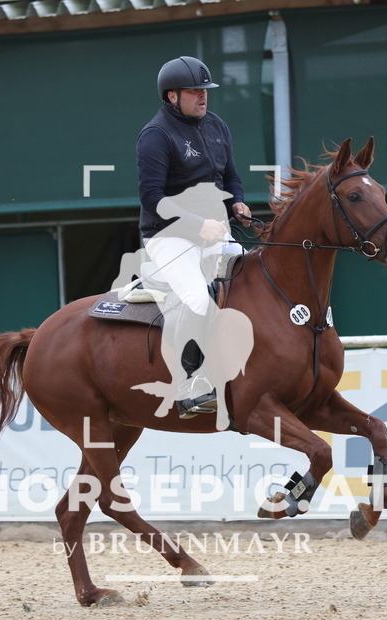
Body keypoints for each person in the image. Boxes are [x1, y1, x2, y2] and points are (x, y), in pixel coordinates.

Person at [136, 56, 251, 418]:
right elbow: (153, 200)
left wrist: (238, 203)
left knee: (254, 284)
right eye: (194, 92)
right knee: (199, 300)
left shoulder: (216, 125)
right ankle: (188, 385)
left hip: (214, 230)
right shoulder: (155, 136)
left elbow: (230, 175)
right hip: (168, 237)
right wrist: (198, 226)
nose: (203, 97)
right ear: (172, 97)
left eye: (205, 91)